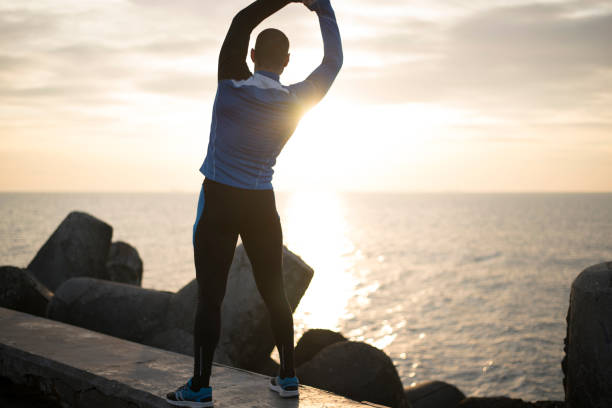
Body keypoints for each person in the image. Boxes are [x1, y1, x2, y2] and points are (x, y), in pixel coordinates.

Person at [166, 0, 342, 405]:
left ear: (251, 56)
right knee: (275, 292)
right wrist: (323, 8)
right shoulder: (298, 99)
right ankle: (288, 377)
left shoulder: (230, 84)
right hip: (262, 204)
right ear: (286, 61)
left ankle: (200, 387)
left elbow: (241, 20)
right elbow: (334, 61)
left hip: (219, 201)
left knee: (211, 297)